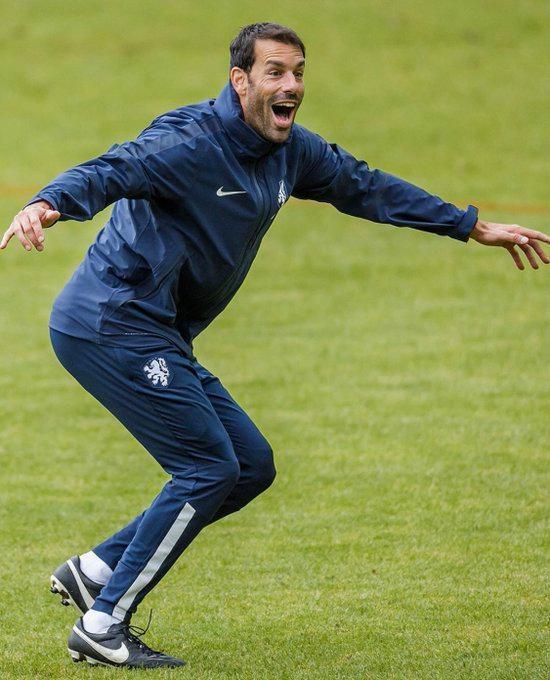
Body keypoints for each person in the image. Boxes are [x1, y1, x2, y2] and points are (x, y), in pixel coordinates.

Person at [2, 22, 549, 669]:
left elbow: (366, 186)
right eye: (275, 72)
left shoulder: (292, 152)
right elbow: (110, 169)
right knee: (208, 467)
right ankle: (103, 623)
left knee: (249, 464)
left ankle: (96, 570)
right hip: (109, 323)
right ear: (240, 81)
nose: (291, 86)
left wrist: (470, 227)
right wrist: (47, 203)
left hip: (159, 332)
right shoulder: (188, 143)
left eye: (298, 72)